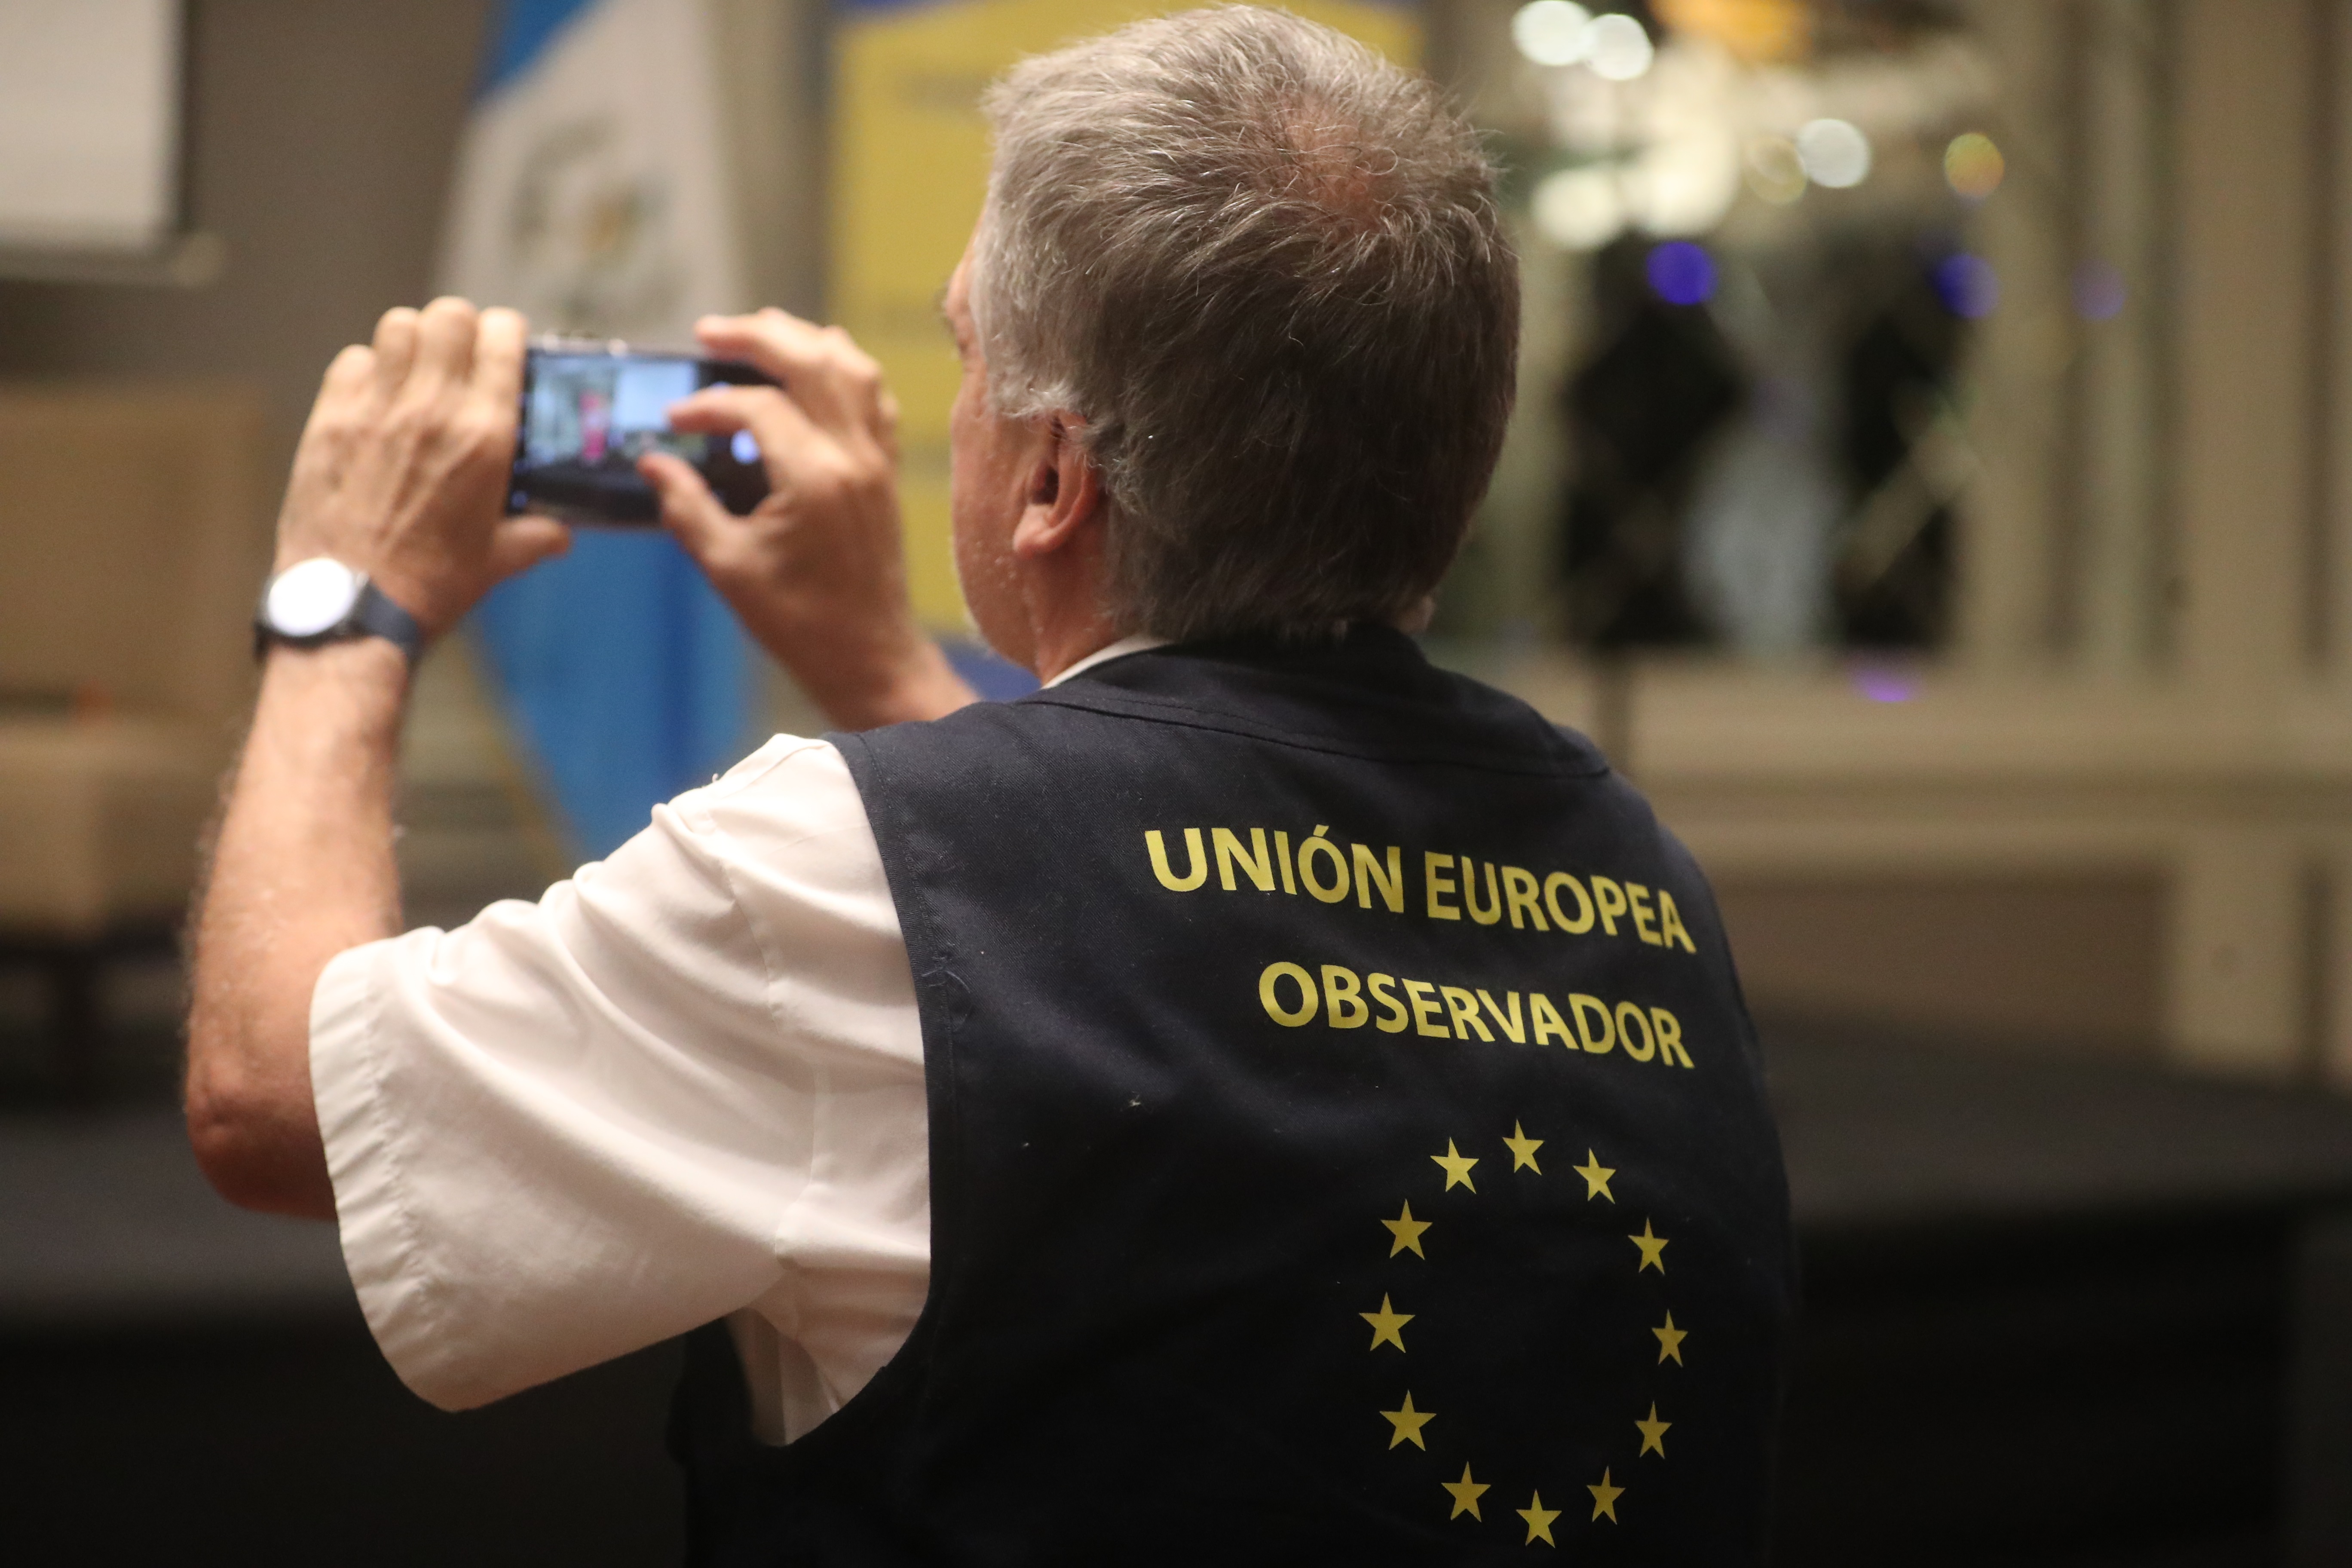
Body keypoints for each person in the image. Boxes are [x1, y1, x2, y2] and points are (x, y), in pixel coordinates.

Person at [186, 9, 1794, 1562]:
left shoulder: (836, 873)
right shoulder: (1642, 878)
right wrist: (884, 656)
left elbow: (279, 1102)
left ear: (1047, 480)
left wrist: (347, 597)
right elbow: (1130, 909)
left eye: (967, 354)